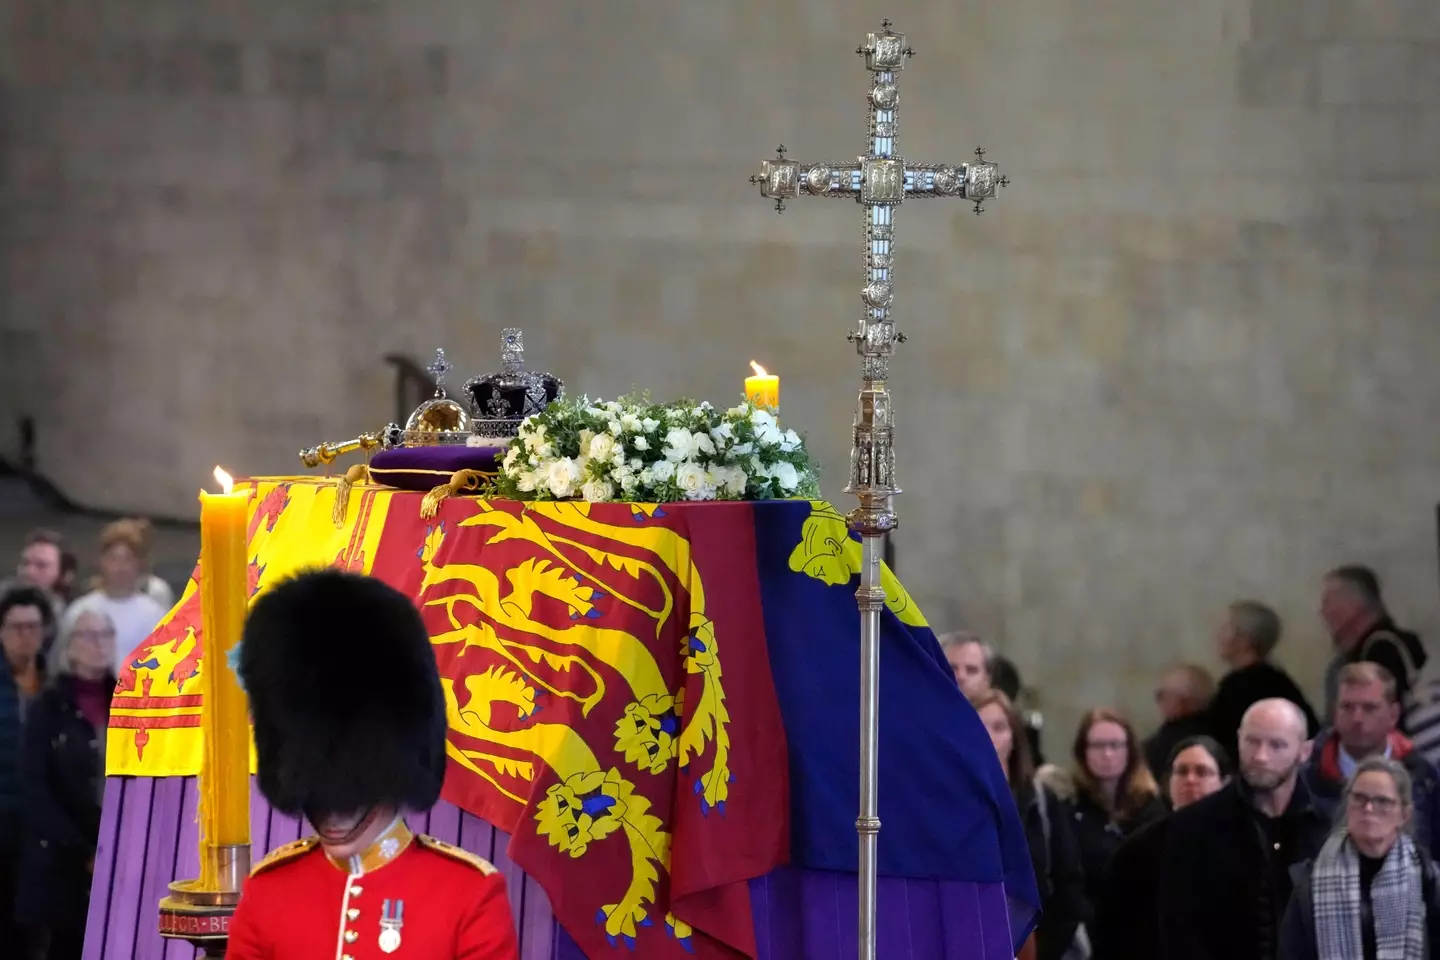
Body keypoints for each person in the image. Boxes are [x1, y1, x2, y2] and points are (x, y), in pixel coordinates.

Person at [227, 570, 520, 959]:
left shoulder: (469, 894)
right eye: (316, 799)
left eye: (350, 798)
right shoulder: (267, 892)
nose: (332, 815)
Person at [1159, 698, 1333, 960]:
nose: (1261, 756)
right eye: (1252, 742)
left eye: (1276, 745)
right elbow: (1178, 929)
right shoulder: (1193, 827)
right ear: (1239, 739)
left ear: (1304, 751)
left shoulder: (1329, 828)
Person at [15, 609, 116, 960]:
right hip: (61, 862)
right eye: (88, 635)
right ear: (69, 646)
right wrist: (84, 851)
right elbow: (36, 787)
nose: (99, 644)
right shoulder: (48, 705)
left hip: (115, 856)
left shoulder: (128, 700)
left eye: (106, 634)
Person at [1280, 756, 1440, 959]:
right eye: (1359, 798)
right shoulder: (1308, 882)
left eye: (1382, 801)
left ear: (1404, 815)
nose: (1368, 809)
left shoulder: (1429, 880)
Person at [971, 689, 1088, 960]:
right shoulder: (952, 799)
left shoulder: (1040, 799)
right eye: (980, 725)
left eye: (999, 727)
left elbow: (1067, 884)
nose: (989, 736)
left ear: (1014, 737)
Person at [1092, 735, 1232, 960]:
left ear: (1224, 782)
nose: (1191, 779)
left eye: (1202, 772)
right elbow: (1113, 928)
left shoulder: (1240, 844)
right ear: (1167, 783)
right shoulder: (1139, 849)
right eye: (1182, 771)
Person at [1303, 662, 1440, 854]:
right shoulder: (1305, 775)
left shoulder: (1424, 777)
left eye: (1369, 708)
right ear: (1334, 713)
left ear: (1393, 715)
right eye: (1347, 707)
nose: (1357, 718)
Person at [1063, 707, 1167, 911]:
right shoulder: (1069, 804)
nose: (1108, 754)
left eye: (1116, 745)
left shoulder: (1151, 807)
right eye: (1098, 745)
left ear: (1130, 751)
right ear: (1083, 751)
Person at [1208, 600, 1320, 765]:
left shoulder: (1239, 687)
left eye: (1226, 628)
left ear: (1244, 639)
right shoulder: (1279, 680)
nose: (1218, 634)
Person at [1320, 565, 1426, 733]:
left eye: (1328, 601)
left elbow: (1378, 730)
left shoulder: (1384, 652)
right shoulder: (1361, 654)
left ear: (1354, 605)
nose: (1322, 612)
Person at [60, 520, 166, 671]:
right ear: (101, 562)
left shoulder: (155, 614)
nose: (120, 567)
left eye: (128, 559)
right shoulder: (80, 610)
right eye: (113, 559)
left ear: (139, 564)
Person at [1145, 663, 1216, 782]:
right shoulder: (1225, 737)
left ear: (1180, 701)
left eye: (1161, 695)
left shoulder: (1160, 746)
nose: (1159, 701)